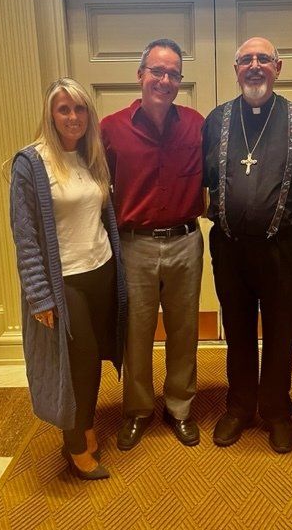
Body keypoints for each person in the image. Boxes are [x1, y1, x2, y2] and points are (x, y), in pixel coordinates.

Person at [9, 78, 127, 481]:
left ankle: (86, 425)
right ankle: (74, 445)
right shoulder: (31, 163)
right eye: (64, 109)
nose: (73, 117)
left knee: (93, 359)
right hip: (66, 282)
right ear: (51, 114)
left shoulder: (92, 156)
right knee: (78, 363)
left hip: (101, 269)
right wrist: (39, 295)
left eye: (79, 109)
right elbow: (25, 235)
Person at [203, 37, 292, 453]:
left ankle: (276, 410)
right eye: (246, 60)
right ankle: (239, 406)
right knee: (238, 331)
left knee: (282, 332)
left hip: (283, 248)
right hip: (230, 248)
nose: (254, 66)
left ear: (278, 67)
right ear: (236, 69)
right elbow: (199, 178)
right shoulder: (217, 119)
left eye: (263, 59)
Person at [101, 38, 204, 450]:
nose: (164, 80)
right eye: (157, 71)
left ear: (180, 81)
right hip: (134, 245)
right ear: (140, 74)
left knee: (185, 330)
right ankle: (139, 409)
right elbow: (94, 186)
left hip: (185, 242)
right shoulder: (111, 129)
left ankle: (179, 407)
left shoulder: (197, 125)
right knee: (136, 333)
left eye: (173, 74)